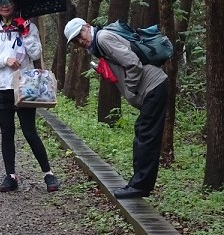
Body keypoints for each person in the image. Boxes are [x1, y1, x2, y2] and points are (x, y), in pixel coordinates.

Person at [64, 17, 169, 199]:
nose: (80, 41)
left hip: (154, 86)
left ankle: (140, 186)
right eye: (75, 40)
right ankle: (138, 184)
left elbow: (133, 64)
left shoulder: (103, 38)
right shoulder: (99, 46)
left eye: (80, 34)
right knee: (143, 133)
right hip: (153, 87)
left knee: (146, 136)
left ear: (87, 26)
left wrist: (131, 89)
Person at [0, 0, 60, 193]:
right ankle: (10, 176)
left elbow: (36, 54)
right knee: (7, 132)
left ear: (16, 4)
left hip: (25, 87)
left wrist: (25, 32)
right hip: (1, 87)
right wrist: (4, 60)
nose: (4, 5)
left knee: (29, 131)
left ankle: (48, 174)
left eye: (8, 1)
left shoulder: (29, 27)